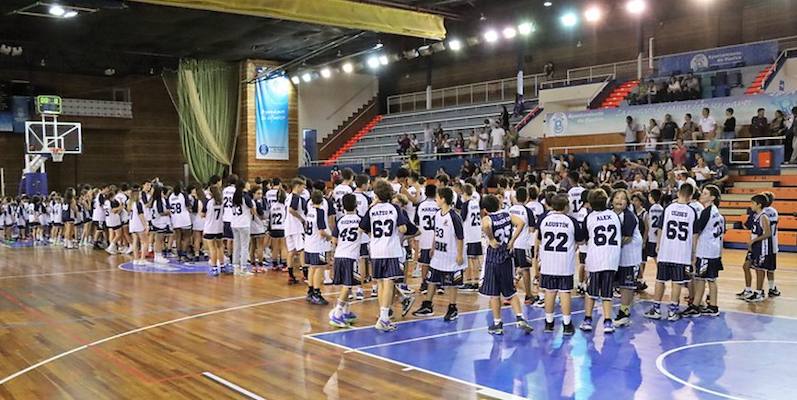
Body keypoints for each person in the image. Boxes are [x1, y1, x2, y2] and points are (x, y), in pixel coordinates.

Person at [479, 194, 534, 335]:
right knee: (511, 292)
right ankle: (520, 317)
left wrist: (491, 238)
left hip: (493, 258)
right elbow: (521, 223)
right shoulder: (507, 214)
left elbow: (485, 225)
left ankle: (497, 323)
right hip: (507, 256)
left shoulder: (487, 218)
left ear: (485, 209)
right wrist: (513, 240)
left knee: (494, 294)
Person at [644, 183, 699, 321]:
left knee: (660, 280)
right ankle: (672, 311)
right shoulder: (692, 212)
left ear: (678, 192)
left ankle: (656, 309)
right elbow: (694, 235)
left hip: (666, 251)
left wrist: (658, 245)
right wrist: (694, 254)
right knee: (677, 282)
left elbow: (661, 228)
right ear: (691, 196)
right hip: (682, 253)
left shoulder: (668, 208)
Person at [359, 180, 409, 332]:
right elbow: (403, 228)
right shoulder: (394, 208)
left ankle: (383, 316)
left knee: (380, 283)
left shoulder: (372, 209)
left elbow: (361, 228)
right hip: (390, 249)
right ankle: (384, 318)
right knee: (388, 283)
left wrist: (373, 234)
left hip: (376, 250)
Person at [412, 187, 466, 321]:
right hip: (438, 254)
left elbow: (460, 237)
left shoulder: (454, 216)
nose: (436, 199)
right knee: (431, 280)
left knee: (451, 283)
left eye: (437, 197)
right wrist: (432, 247)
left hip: (451, 255)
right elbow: (436, 232)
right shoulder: (437, 214)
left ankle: (453, 308)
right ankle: (427, 305)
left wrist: (459, 255)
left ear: (443, 199)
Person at [536, 193, 585, 335]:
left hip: (548, 262)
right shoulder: (571, 221)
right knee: (565, 293)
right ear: (565, 206)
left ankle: (549, 323)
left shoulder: (544, 220)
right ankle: (567, 324)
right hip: (565, 264)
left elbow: (539, 238)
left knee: (549, 292)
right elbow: (581, 241)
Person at [580, 189, 622, 333]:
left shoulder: (590, 217)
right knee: (607, 293)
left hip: (595, 258)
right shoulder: (614, 216)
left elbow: (584, 238)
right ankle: (608, 321)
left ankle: (588, 319)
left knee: (591, 293)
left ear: (590, 203)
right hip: (611, 259)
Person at [681, 185, 724, 317]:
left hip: (706, 250)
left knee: (701, 279)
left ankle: (696, 306)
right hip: (714, 249)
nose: (702, 195)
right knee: (711, 279)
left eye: (705, 193)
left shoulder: (707, 212)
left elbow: (696, 231)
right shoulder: (718, 213)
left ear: (712, 198)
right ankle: (712, 306)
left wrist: (693, 251)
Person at [328, 194, 362, 328]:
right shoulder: (360, 220)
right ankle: (337, 312)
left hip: (339, 254)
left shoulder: (340, 220)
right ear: (356, 205)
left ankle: (346, 312)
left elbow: (334, 240)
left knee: (347, 284)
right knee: (348, 285)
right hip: (351, 256)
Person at [612, 189, 643, 327]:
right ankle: (624, 311)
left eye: (623, 198)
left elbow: (627, 238)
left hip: (630, 255)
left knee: (626, 285)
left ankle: (624, 312)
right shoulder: (611, 214)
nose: (619, 200)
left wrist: (609, 244)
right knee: (622, 284)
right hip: (620, 254)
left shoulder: (629, 216)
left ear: (627, 202)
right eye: (617, 197)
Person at [743, 194, 774, 302]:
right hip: (755, 246)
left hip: (762, 247)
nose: (750, 205)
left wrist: (754, 240)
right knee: (746, 266)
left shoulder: (763, 216)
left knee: (759, 269)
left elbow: (768, 233)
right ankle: (748, 290)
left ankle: (759, 292)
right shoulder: (756, 215)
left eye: (752, 203)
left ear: (759, 205)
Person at [304, 190, 333, 304]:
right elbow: (322, 232)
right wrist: (330, 237)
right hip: (319, 245)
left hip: (309, 243)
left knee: (312, 267)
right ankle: (316, 293)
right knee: (319, 268)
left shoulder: (309, 211)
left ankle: (310, 292)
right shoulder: (319, 212)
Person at [509, 187, 536, 304]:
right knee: (525, 270)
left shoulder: (510, 210)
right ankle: (528, 295)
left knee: (512, 268)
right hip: (523, 243)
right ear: (527, 197)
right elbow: (531, 229)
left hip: (511, 243)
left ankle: (509, 293)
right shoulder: (527, 210)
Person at [414, 184, 439, 295]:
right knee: (438, 262)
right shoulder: (438, 205)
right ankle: (439, 284)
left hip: (424, 237)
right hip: (437, 237)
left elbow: (417, 221)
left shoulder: (421, 205)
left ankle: (424, 283)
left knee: (424, 263)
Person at [461, 184, 483, 291]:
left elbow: (462, 218)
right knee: (475, 259)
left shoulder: (466, 204)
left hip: (469, 235)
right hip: (477, 233)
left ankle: (471, 281)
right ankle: (476, 280)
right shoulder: (476, 203)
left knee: (470, 258)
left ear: (464, 193)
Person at [285, 178, 308, 284]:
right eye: (303, 186)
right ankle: (305, 274)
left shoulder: (288, 196)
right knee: (302, 250)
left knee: (291, 251)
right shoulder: (295, 197)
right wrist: (301, 219)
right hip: (296, 227)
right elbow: (291, 210)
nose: (304, 188)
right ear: (297, 186)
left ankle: (290, 275)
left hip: (288, 227)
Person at [203, 184, 225, 276]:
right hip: (219, 227)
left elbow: (202, 214)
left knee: (212, 248)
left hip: (210, 227)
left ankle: (214, 267)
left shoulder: (208, 202)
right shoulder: (221, 202)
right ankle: (223, 266)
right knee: (220, 247)